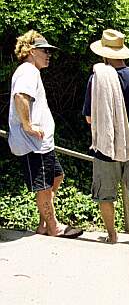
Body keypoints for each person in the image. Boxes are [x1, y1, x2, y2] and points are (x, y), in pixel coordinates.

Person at [83, 29, 129, 246]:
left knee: (105, 194)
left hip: (105, 147)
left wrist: (110, 125)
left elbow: (89, 118)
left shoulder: (95, 80)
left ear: (104, 54)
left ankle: (112, 236)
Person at [8, 30, 82, 238]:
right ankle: (54, 227)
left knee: (57, 176)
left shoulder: (31, 71)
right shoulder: (28, 71)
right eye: (45, 51)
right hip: (33, 144)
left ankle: (44, 224)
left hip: (41, 144)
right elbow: (21, 97)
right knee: (44, 186)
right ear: (31, 52)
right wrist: (28, 126)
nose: (49, 55)